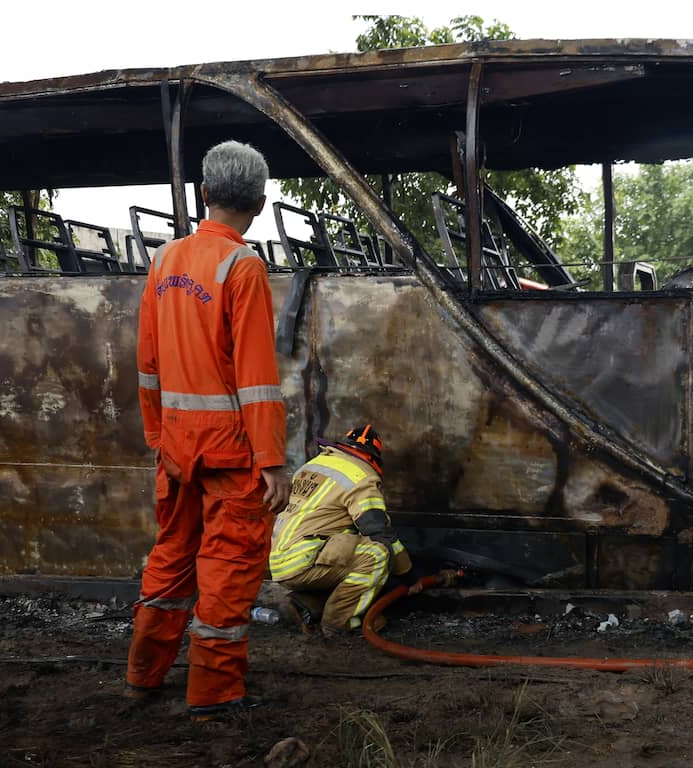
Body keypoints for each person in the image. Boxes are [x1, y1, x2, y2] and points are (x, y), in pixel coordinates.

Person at [126, 140, 291, 720]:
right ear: (262, 204)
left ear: (203, 194)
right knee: (228, 564)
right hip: (231, 453)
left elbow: (147, 362)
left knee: (171, 554)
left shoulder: (164, 261)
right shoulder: (242, 266)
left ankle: (144, 672)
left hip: (176, 448)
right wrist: (271, 459)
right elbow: (257, 378)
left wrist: (159, 437)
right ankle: (214, 692)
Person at [268, 424, 418, 636]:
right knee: (376, 554)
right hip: (306, 559)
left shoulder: (313, 465)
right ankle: (339, 623)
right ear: (372, 458)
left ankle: (303, 605)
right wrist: (409, 574)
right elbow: (379, 532)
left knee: (346, 551)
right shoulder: (360, 476)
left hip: (279, 560)